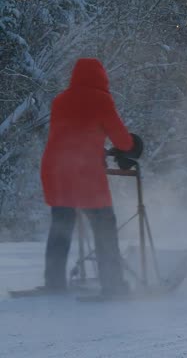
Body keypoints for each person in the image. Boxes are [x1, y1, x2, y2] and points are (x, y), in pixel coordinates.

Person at [40, 58, 142, 296]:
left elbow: (73, 133)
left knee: (61, 226)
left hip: (54, 169)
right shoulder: (100, 99)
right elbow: (122, 140)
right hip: (84, 172)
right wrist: (128, 146)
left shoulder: (60, 99)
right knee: (104, 225)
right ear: (101, 77)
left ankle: (53, 283)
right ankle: (113, 285)